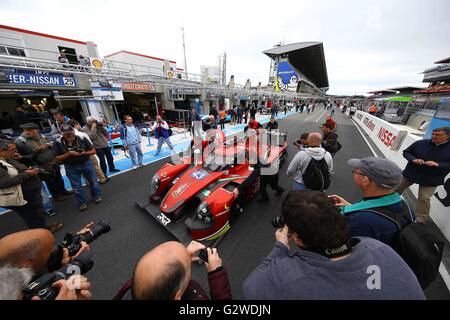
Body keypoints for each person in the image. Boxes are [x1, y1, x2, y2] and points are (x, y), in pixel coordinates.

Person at [242, 190, 425, 300]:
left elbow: (250, 288)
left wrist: (280, 248)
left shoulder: (279, 279)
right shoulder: (380, 248)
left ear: (296, 238)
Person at [330, 157, 415, 245]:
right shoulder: (406, 207)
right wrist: (350, 207)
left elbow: (337, 245)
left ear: (365, 181)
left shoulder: (359, 221)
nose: (354, 173)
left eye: (355, 171)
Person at [113, 241, 232, 300]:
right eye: (188, 268)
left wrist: (183, 257)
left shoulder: (134, 287)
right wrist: (217, 274)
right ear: (177, 297)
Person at [0, 139, 63, 233]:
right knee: (32, 216)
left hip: (29, 193)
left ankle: (43, 229)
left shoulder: (7, 159)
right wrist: (28, 174)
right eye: (12, 150)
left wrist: (19, 161)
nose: (15, 152)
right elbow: (3, 183)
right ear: (1, 151)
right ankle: (42, 233)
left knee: (36, 214)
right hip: (23, 196)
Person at [395, 127, 450, 224]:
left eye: (438, 135)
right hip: (411, 173)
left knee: (424, 198)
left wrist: (438, 164)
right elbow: (406, 152)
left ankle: (420, 221)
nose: (434, 136)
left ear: (448, 136)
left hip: (431, 179)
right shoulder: (421, 143)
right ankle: (385, 203)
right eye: (433, 133)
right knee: (396, 188)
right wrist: (413, 159)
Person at [14, 123, 70, 201]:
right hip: (40, 163)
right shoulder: (20, 141)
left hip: (52, 160)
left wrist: (50, 146)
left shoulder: (41, 136)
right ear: (25, 131)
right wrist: (37, 150)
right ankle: (56, 196)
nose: (34, 133)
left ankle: (63, 191)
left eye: (35, 131)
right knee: (50, 180)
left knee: (58, 177)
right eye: (30, 131)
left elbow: (50, 146)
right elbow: (20, 158)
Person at [52, 124, 101, 211]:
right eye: (67, 134)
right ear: (62, 134)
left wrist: (84, 153)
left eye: (71, 133)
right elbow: (55, 158)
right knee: (76, 186)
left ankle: (96, 195)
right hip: (71, 166)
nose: (70, 135)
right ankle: (81, 202)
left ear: (73, 131)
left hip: (86, 163)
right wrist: (69, 153)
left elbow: (93, 150)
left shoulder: (81, 138)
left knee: (94, 181)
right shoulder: (57, 142)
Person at [66, 119, 108, 184]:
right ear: (75, 125)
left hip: (74, 154)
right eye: (78, 124)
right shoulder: (81, 134)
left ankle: (88, 182)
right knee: (95, 166)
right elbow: (90, 142)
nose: (79, 125)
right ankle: (102, 179)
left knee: (82, 169)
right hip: (87, 152)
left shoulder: (65, 136)